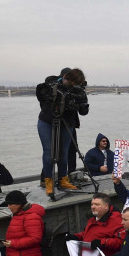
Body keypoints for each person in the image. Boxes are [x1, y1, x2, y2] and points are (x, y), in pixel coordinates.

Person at [35, 67, 89, 195]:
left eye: (76, 85)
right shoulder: (52, 86)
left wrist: (80, 104)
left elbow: (84, 111)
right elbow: (40, 95)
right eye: (70, 83)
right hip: (46, 121)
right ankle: (48, 181)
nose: (72, 86)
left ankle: (63, 179)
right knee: (48, 151)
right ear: (65, 77)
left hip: (66, 123)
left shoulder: (78, 92)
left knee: (63, 153)